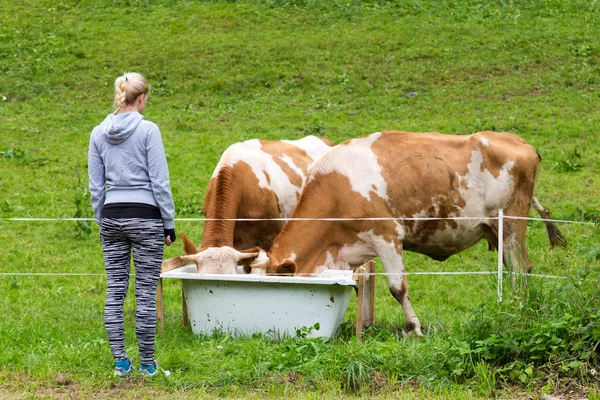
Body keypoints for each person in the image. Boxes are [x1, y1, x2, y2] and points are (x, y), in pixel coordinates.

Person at [88, 72, 176, 377]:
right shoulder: (149, 130)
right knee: (145, 292)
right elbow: (159, 181)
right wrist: (168, 222)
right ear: (140, 99)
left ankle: (120, 363)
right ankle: (148, 366)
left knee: (115, 290)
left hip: (112, 214)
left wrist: (103, 221)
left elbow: (95, 187)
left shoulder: (98, 132)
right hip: (146, 216)